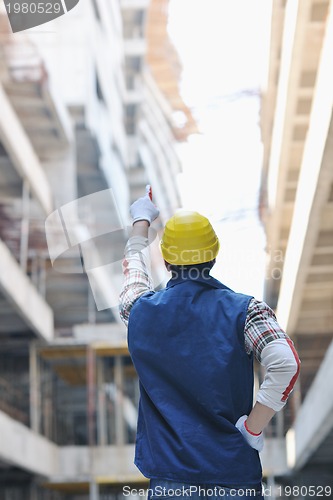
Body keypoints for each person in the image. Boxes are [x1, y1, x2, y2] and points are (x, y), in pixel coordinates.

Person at [119, 188, 300, 500]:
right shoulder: (247, 311)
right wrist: (253, 428)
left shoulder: (141, 311)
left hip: (171, 485)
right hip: (235, 480)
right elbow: (286, 363)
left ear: (165, 261)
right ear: (214, 256)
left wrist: (141, 220)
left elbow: (133, 274)